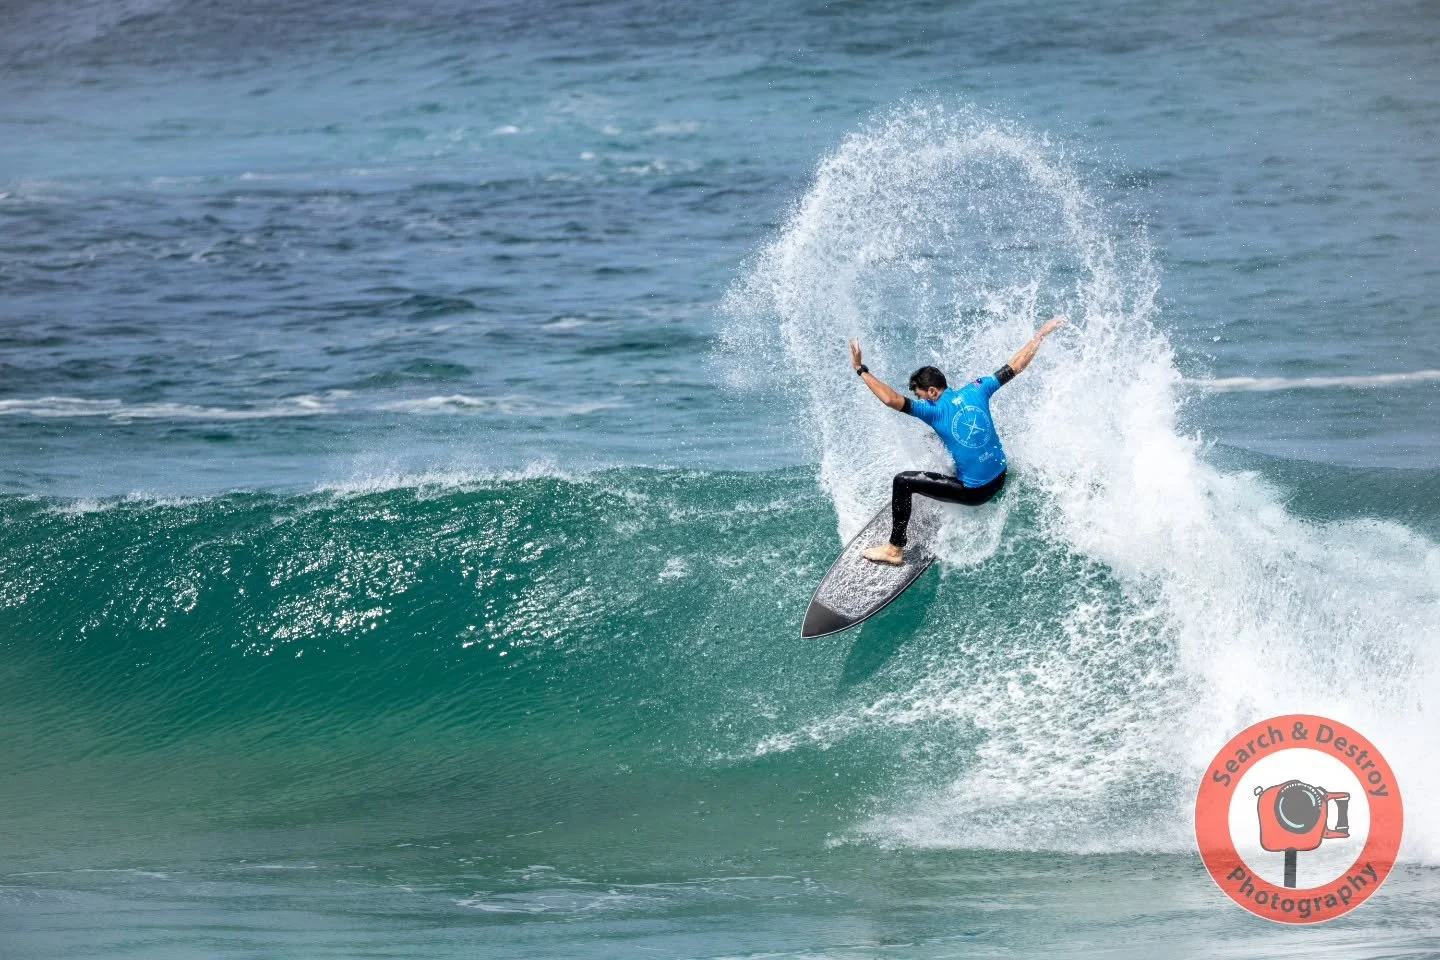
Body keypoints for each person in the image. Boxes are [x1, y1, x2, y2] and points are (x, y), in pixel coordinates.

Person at [848, 315, 1067, 565]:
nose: (921, 401)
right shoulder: (979, 388)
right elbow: (1015, 365)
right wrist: (1040, 335)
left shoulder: (933, 411)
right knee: (932, 438)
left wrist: (860, 369)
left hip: (975, 493)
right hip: (1000, 476)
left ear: (932, 391)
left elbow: (890, 399)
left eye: (921, 396)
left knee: (902, 481)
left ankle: (894, 549)